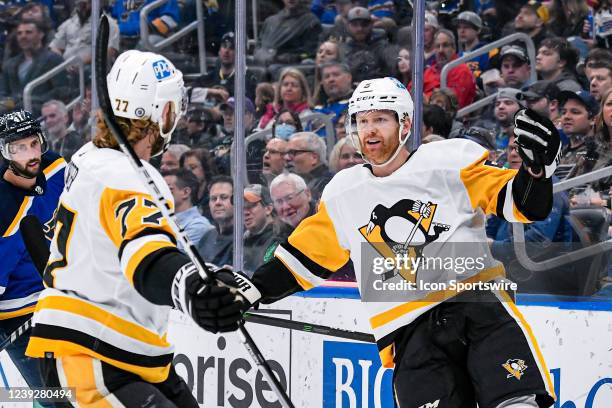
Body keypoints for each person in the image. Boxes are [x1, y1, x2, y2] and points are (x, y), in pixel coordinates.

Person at [195, 77, 560, 407]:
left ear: (404, 124)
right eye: (362, 121)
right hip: (410, 337)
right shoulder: (344, 192)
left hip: (480, 312)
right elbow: (301, 259)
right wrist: (253, 290)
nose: (370, 130)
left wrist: (536, 173)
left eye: (381, 119)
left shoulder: (449, 163)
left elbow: (524, 204)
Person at [25, 50, 201, 407]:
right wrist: (194, 289)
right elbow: (146, 254)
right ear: (163, 112)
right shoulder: (130, 176)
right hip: (90, 353)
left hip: (126, 351)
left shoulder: (88, 155)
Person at [0, 109, 65, 407]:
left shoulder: (57, 169)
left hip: (62, 301)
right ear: (5, 153)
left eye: (33, 143)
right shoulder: (4, 208)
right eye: (19, 148)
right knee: (58, 399)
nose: (30, 154)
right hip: (17, 316)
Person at [0, 19, 68, 115]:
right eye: (19, 33)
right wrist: (8, 102)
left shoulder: (53, 59)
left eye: (28, 32)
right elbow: (2, 92)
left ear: (41, 35)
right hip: (11, 112)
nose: (23, 36)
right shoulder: (9, 64)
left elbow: (62, 90)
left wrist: (30, 100)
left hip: (41, 112)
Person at [423, 29, 476, 108]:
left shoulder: (462, 71)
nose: (440, 50)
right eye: (437, 46)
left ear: (454, 48)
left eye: (445, 45)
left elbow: (453, 105)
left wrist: (424, 100)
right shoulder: (428, 71)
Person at [162, 168, 213, 247]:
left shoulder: (198, 225)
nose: (161, 193)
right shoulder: (162, 219)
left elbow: (172, 254)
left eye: (168, 189)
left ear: (185, 192)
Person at [243, 184, 283, 277]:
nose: (245, 212)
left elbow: (266, 277)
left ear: (268, 209)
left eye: (251, 206)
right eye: (242, 207)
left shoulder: (279, 239)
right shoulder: (241, 240)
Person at [196, 175, 234, 267]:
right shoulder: (207, 236)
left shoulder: (243, 239)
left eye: (224, 197)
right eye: (213, 199)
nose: (217, 203)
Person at [285, 131, 333, 201]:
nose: (287, 157)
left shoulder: (327, 185)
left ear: (314, 158)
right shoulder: (299, 183)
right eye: (287, 153)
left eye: (293, 152)